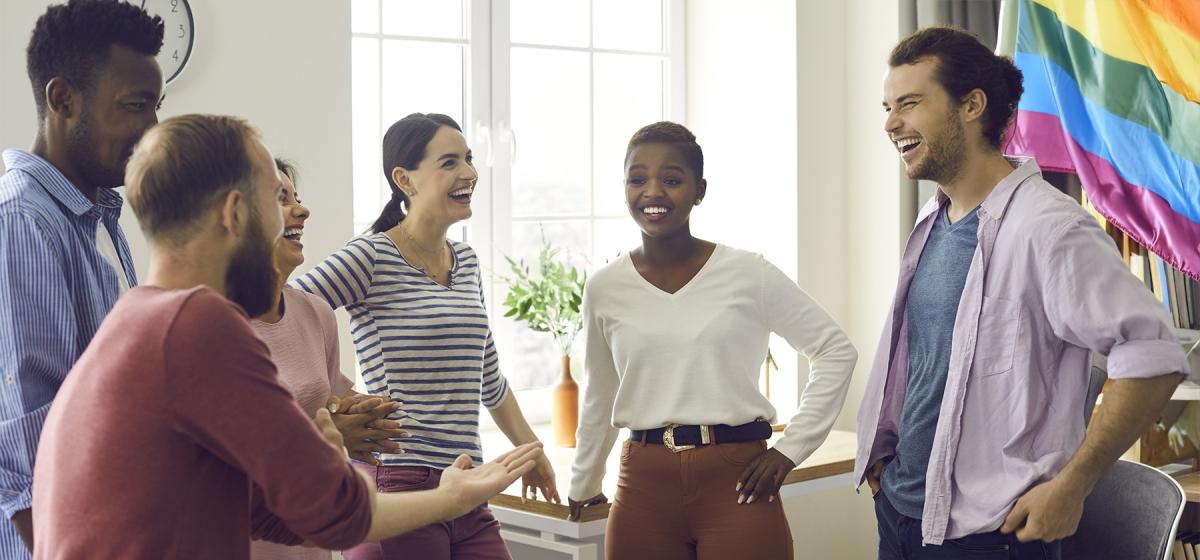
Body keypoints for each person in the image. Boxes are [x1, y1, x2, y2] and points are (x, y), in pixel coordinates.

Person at [31, 113, 544, 559]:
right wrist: (446, 495)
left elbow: (269, 513)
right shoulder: (198, 325)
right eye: (275, 203)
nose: (293, 218)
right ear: (235, 212)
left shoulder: (136, 318)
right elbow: (332, 511)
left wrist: (337, 466)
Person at [857, 26, 1187, 559]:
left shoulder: (1052, 229)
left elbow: (1154, 358)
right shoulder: (930, 221)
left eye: (910, 103)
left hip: (991, 537)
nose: (892, 123)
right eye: (888, 106)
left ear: (972, 106)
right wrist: (884, 461)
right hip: (902, 515)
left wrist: (1073, 485)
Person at [566, 121, 858, 560]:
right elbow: (600, 394)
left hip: (737, 481)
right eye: (637, 178)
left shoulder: (748, 273)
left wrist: (790, 451)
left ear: (699, 190)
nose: (653, 192)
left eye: (671, 179)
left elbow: (836, 351)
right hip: (643, 485)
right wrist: (583, 483)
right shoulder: (605, 287)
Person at [294, 112, 558, 560]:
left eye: (469, 160)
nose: (470, 173)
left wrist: (532, 451)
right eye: (450, 162)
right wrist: (338, 402)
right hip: (396, 484)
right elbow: (285, 315)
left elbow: (488, 377)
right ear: (405, 179)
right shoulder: (370, 256)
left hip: (466, 482)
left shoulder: (467, 262)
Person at [0, 1, 163, 555]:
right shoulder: (23, 222)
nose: (152, 130)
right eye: (135, 107)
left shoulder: (98, 218)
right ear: (62, 99)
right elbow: (29, 446)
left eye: (156, 107)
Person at [249, 158, 410, 560]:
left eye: (297, 198)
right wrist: (329, 435)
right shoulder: (211, 325)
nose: (302, 210)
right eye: (281, 198)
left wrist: (362, 413)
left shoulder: (315, 312)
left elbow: (328, 401)